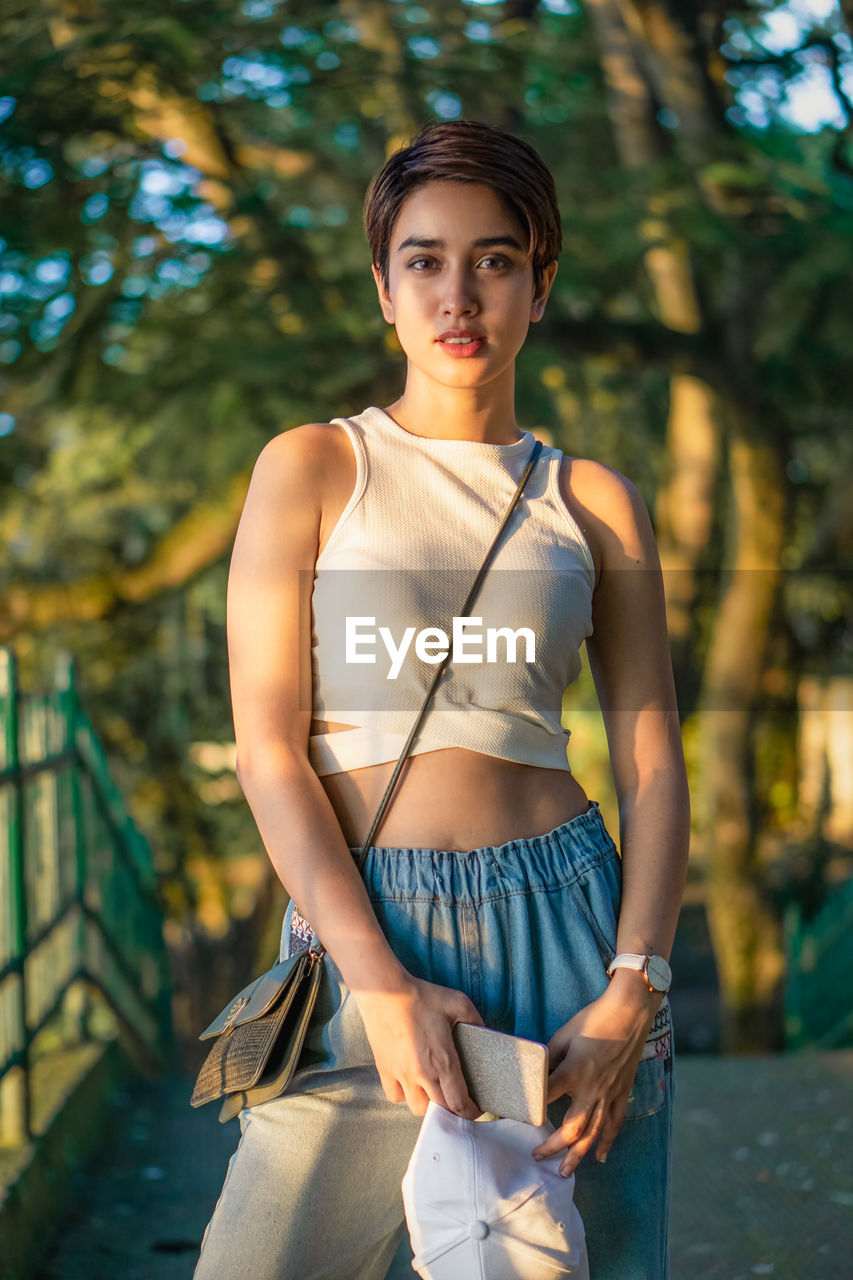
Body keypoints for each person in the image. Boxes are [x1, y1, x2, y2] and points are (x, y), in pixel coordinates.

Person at [193, 118, 690, 1280]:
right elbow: (268, 748)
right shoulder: (314, 466)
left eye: (495, 258)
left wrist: (634, 988)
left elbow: (654, 767)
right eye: (423, 258)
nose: (457, 292)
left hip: (574, 935)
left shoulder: (596, 501)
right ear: (382, 285)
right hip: (368, 925)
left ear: (540, 281)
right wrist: (377, 976)